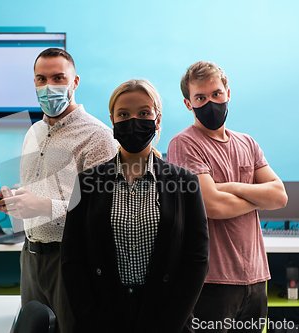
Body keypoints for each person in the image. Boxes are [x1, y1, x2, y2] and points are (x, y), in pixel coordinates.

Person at [60, 79, 209, 333]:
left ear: (157, 120)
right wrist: (94, 322)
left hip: (166, 317)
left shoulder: (185, 182)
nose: (133, 121)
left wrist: (168, 325)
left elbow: (196, 260)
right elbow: (72, 259)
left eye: (143, 113)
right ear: (113, 121)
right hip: (104, 317)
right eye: (124, 114)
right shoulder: (87, 183)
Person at [0, 48, 117, 333]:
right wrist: (15, 198)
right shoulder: (33, 132)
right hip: (31, 255)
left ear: (75, 82)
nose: (49, 87)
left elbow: (101, 210)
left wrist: (44, 207)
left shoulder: (97, 136)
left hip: (71, 259)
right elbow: (41, 188)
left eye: (58, 78)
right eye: (41, 79)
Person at [167, 61, 288, 332]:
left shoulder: (248, 143)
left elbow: (279, 196)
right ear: (188, 103)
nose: (210, 102)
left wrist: (229, 186)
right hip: (211, 282)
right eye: (200, 97)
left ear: (228, 94)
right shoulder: (184, 144)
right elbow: (213, 205)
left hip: (256, 278)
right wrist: (257, 195)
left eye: (216, 94)